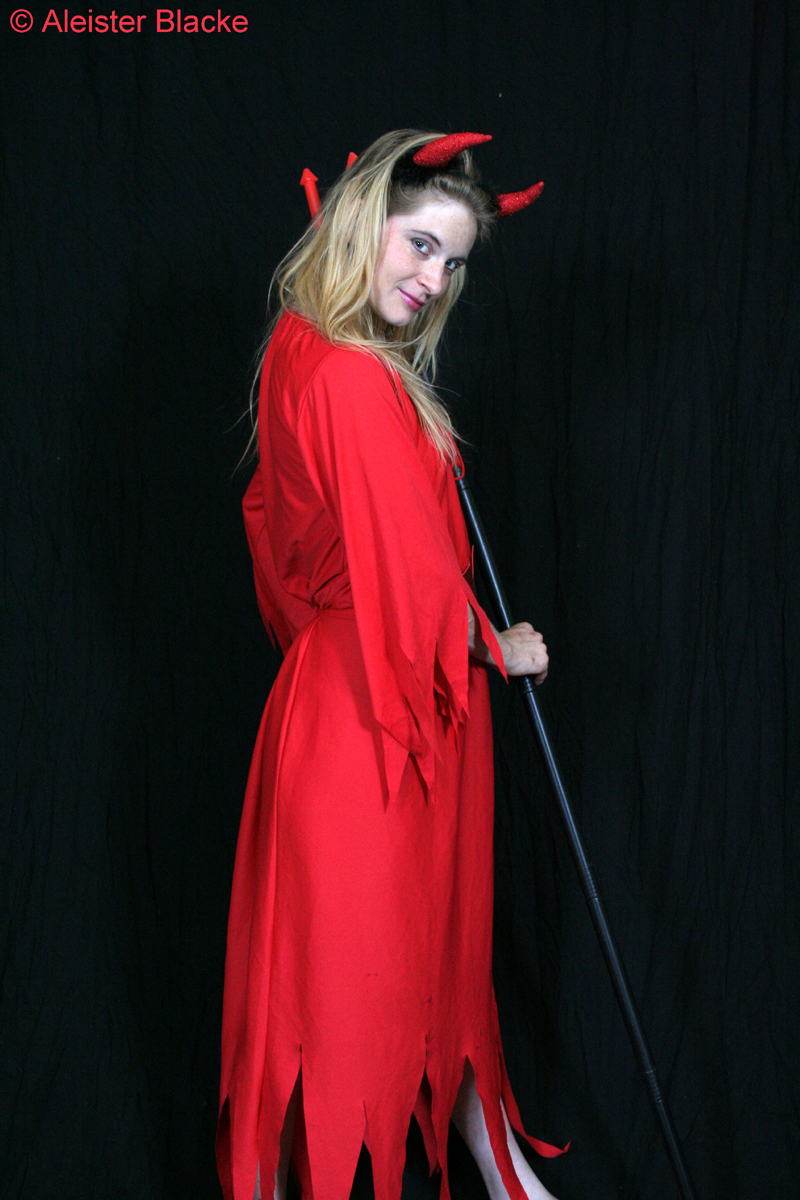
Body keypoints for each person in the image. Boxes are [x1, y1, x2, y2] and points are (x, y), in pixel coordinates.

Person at [217, 129, 564, 1200]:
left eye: (452, 262)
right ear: (366, 221)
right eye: (419, 244)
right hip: (380, 714)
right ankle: (501, 1177)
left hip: (338, 695)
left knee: (370, 971)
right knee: (364, 975)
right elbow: (410, 575)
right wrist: (495, 646)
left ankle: (500, 1170)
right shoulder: (353, 376)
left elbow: (270, 524)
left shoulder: (296, 351)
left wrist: (325, 641)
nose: (433, 278)